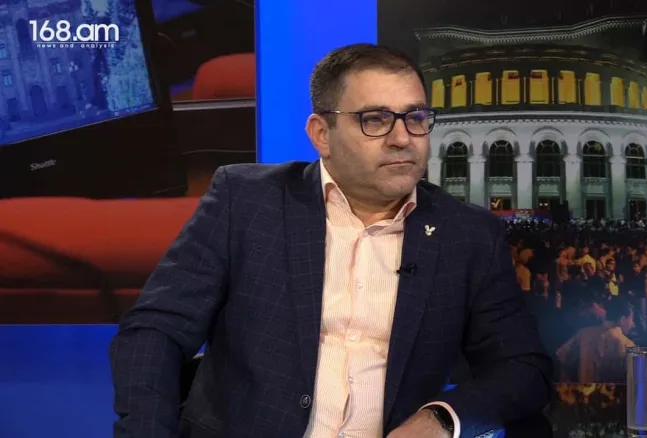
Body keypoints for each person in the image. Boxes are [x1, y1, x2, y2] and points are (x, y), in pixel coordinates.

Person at [110, 43, 552, 438]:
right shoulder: (246, 201)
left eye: (416, 118)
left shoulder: (467, 234)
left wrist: (441, 419)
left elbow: (522, 368)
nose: (402, 138)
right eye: (376, 120)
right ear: (322, 134)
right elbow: (155, 330)